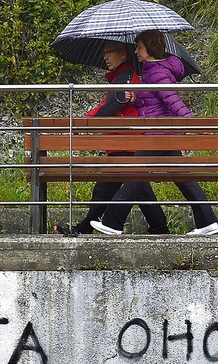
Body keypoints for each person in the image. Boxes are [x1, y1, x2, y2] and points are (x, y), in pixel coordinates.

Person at [90, 30, 218, 236]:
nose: (136, 51)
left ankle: (113, 222)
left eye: (139, 47)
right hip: (163, 133)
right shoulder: (152, 69)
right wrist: (136, 96)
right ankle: (207, 220)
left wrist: (190, 122)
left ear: (150, 49)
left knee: (136, 173)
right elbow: (154, 99)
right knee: (183, 178)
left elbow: (171, 99)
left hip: (160, 134)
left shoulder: (156, 72)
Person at [54, 40, 169, 235]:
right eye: (104, 53)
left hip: (125, 144)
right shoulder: (121, 78)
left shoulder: (125, 78)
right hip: (123, 144)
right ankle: (159, 227)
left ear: (123, 54)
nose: (105, 57)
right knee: (131, 187)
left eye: (109, 52)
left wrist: (82, 126)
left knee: (109, 186)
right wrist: (83, 123)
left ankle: (85, 228)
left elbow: (109, 109)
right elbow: (106, 105)